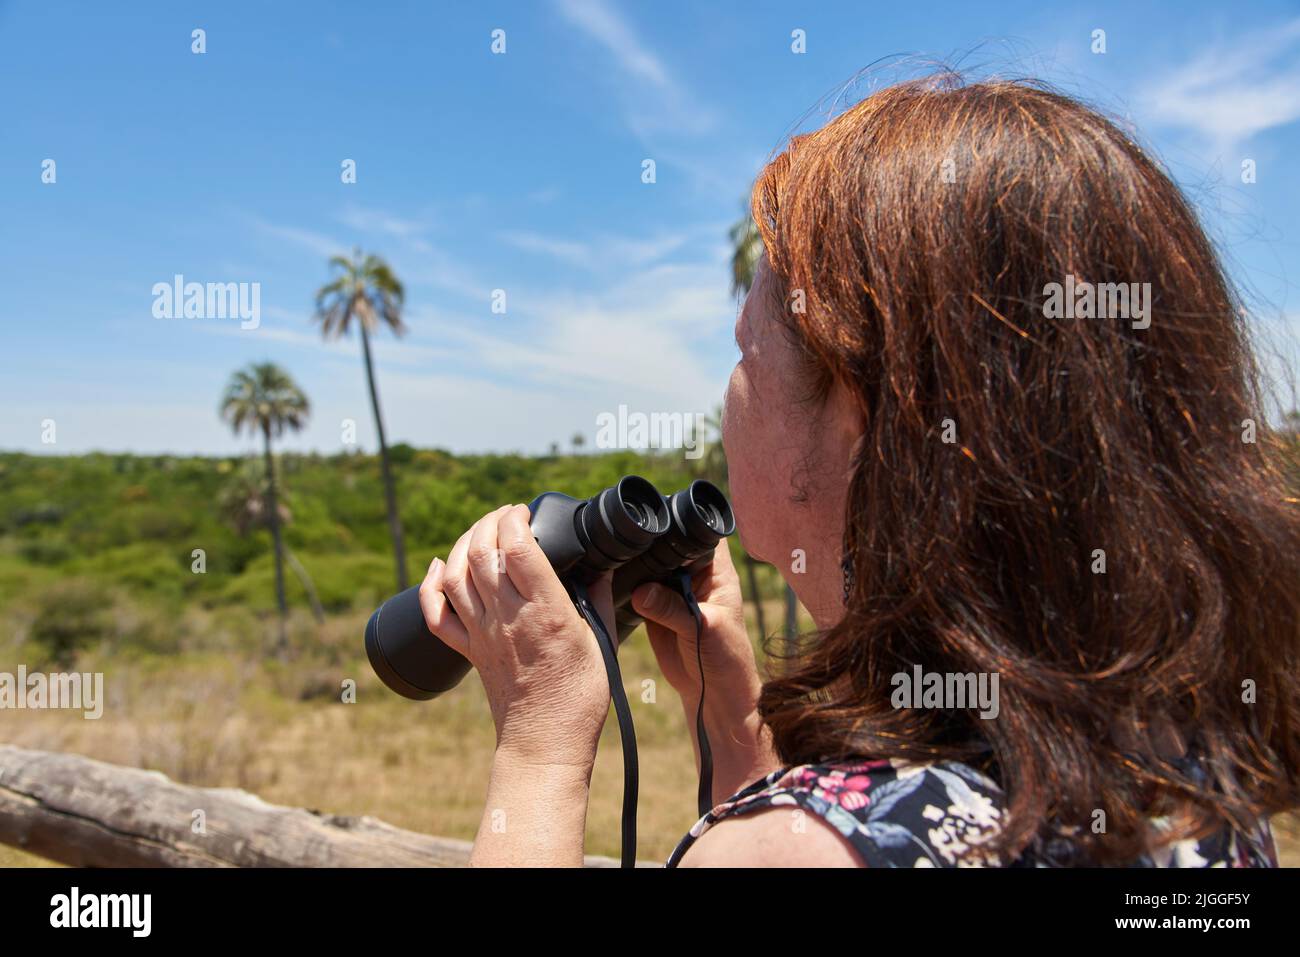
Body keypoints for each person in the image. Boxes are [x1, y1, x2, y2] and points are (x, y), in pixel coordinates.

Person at [417, 75, 1299, 867]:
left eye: (745, 355)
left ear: (852, 416)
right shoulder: (1188, 771)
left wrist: (538, 750)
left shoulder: (797, 852)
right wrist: (734, 720)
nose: (728, 394)